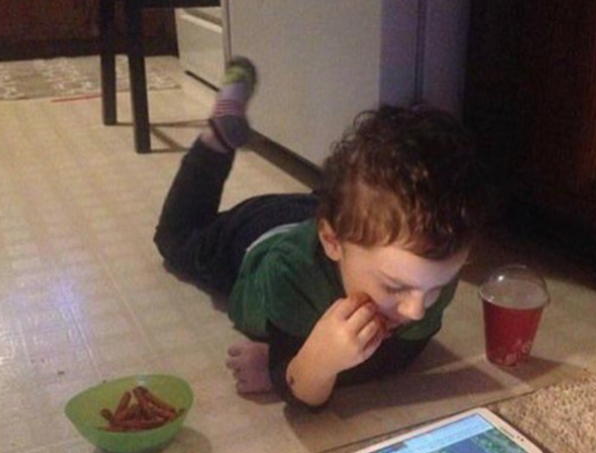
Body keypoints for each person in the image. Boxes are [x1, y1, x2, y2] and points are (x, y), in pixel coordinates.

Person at [154, 58, 482, 409]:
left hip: (317, 211)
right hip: (251, 237)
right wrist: (311, 364)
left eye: (435, 289)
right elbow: (298, 392)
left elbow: (403, 355)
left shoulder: (428, 270)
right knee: (175, 238)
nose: (416, 310)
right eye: (394, 286)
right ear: (332, 241)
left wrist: (317, 361)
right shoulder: (291, 275)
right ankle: (216, 139)